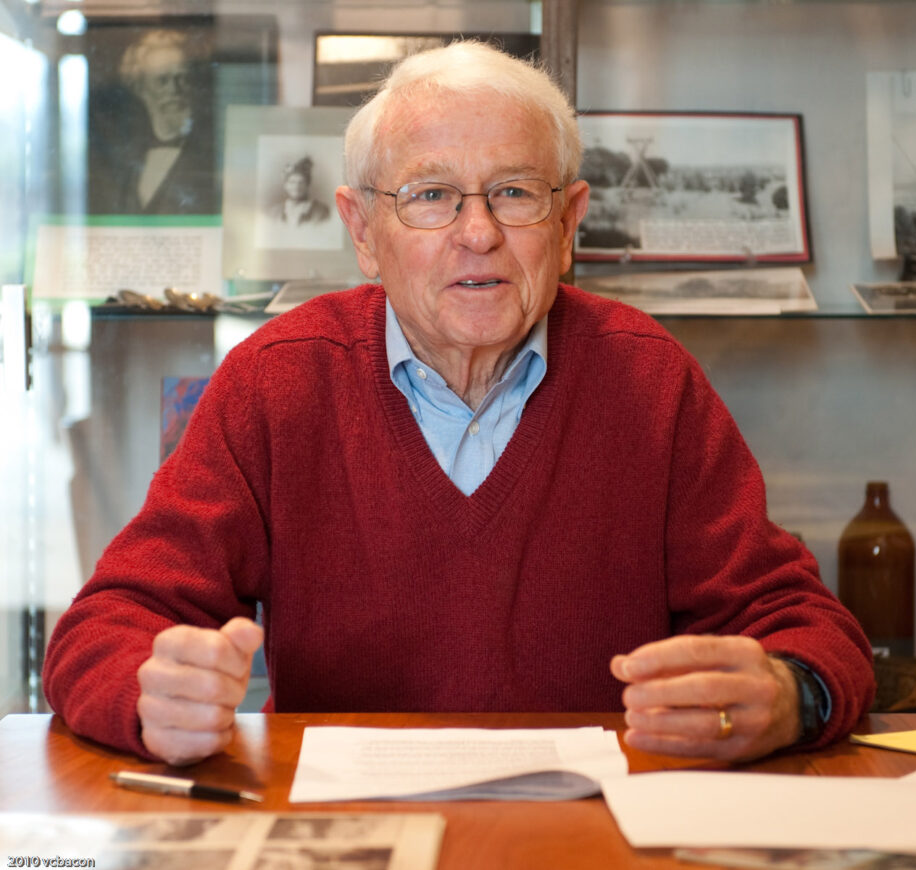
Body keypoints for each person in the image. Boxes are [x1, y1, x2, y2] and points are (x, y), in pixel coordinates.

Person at [44, 40, 874, 767]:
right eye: (430, 196)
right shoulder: (277, 381)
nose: (477, 232)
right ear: (363, 230)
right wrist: (150, 693)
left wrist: (789, 692)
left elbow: (806, 625)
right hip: (347, 837)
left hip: (592, 837)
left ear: (570, 221)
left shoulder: (649, 380)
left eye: (514, 192)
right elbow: (104, 627)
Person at [87, 28, 215, 214]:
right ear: (140, 88)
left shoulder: (210, 159)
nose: (174, 90)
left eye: (183, 78)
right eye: (162, 81)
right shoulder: (124, 159)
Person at [266, 156, 333, 227]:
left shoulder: (321, 211)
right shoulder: (275, 212)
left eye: (301, 182)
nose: (296, 187)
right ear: (285, 185)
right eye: (292, 182)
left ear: (307, 184)